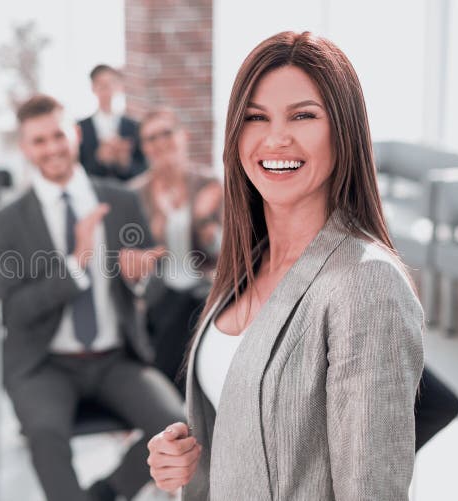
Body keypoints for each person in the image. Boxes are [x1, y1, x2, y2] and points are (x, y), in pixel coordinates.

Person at [147, 32, 424, 500]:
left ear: (344, 129)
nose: (276, 137)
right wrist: (180, 466)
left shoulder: (365, 282)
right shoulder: (246, 265)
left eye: (303, 115)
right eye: (256, 117)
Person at [0, 94, 185, 501]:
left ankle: (106, 493)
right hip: (44, 365)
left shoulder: (121, 201)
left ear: (75, 135)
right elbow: (16, 310)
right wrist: (75, 266)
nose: (51, 148)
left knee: (177, 424)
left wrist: (139, 280)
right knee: (45, 435)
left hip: (116, 358)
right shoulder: (7, 220)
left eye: (57, 136)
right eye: (38, 141)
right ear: (25, 149)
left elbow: (156, 286)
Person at [130, 107, 223, 391]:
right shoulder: (134, 194)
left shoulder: (210, 184)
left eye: (166, 133)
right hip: (158, 296)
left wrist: (209, 231)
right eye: (151, 138)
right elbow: (129, 262)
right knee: (177, 310)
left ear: (183, 136)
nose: (160, 143)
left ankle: (171, 400)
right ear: (144, 147)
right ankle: (177, 403)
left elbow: (227, 250)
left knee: (195, 306)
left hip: (204, 287)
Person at [78, 64, 146, 181]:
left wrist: (125, 163)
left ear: (120, 87)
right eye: (102, 85)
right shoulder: (81, 128)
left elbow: (143, 170)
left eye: (112, 84)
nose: (108, 90)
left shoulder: (134, 127)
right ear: (93, 88)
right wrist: (99, 159)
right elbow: (76, 171)